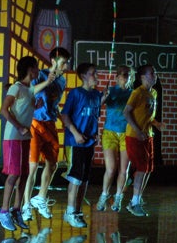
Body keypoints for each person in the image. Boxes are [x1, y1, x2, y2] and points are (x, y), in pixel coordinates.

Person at [0, 56, 55, 231]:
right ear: (30, 69)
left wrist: (36, 106)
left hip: (24, 138)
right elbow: (3, 110)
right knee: (13, 175)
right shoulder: (16, 87)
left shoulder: (29, 89)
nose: (38, 71)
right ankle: (3, 211)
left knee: (24, 175)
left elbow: (28, 102)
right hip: (13, 137)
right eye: (36, 68)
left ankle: (16, 209)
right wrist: (20, 127)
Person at [21, 47, 71, 221]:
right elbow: (30, 92)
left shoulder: (62, 81)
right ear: (53, 61)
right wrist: (47, 82)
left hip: (50, 123)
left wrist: (60, 116)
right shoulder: (40, 75)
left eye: (67, 62)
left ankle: (40, 197)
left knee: (53, 164)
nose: (65, 65)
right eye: (63, 62)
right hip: (35, 122)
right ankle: (25, 205)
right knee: (32, 166)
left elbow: (54, 102)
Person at [61, 62, 105, 228]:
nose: (97, 76)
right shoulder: (75, 93)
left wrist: (96, 134)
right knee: (76, 177)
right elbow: (65, 116)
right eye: (94, 73)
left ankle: (77, 211)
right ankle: (70, 211)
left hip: (89, 143)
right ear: (84, 76)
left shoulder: (97, 95)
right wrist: (76, 133)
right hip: (75, 142)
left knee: (85, 179)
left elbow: (94, 116)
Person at [123, 64, 165, 217]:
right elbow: (126, 112)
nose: (155, 75)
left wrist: (157, 124)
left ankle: (137, 199)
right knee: (141, 168)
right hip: (135, 136)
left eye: (155, 73)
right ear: (142, 77)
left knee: (148, 169)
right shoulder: (137, 93)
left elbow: (149, 116)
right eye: (152, 73)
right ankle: (134, 202)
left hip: (148, 136)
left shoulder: (153, 93)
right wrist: (138, 130)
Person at [97, 65, 134, 212]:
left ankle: (118, 197)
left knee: (123, 170)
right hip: (110, 132)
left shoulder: (133, 94)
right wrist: (103, 97)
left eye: (128, 75)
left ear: (131, 77)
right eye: (122, 74)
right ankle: (104, 194)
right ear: (117, 76)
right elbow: (97, 107)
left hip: (126, 133)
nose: (125, 77)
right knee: (111, 169)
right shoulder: (110, 90)